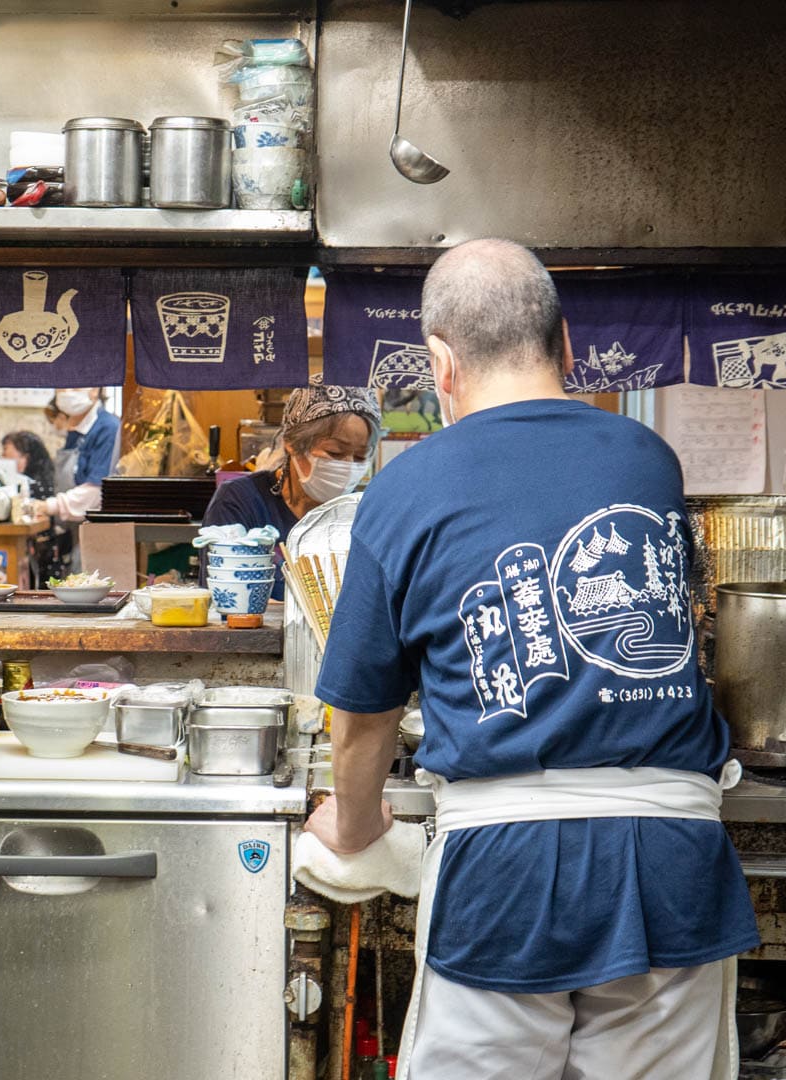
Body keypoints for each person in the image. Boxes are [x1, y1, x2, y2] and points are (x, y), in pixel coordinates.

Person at [305, 239, 757, 1079]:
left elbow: (363, 713)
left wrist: (358, 830)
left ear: (441, 364)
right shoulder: (646, 457)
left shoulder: (408, 484)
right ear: (568, 345)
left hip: (505, 865)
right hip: (674, 853)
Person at [201, 380, 380, 599]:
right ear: (293, 443)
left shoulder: (363, 516)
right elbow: (223, 597)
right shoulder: (240, 502)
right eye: (335, 452)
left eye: (361, 457)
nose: (348, 466)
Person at [27, 388, 117, 525]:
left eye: (76, 386)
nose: (67, 391)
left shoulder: (108, 428)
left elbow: (98, 491)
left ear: (94, 390)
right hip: (73, 525)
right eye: (62, 386)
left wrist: (49, 506)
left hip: (98, 528)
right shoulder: (76, 431)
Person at [1, 431, 72, 587]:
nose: (3, 460)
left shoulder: (37, 487)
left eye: (7, 454)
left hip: (44, 555)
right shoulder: (37, 482)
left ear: (26, 458)